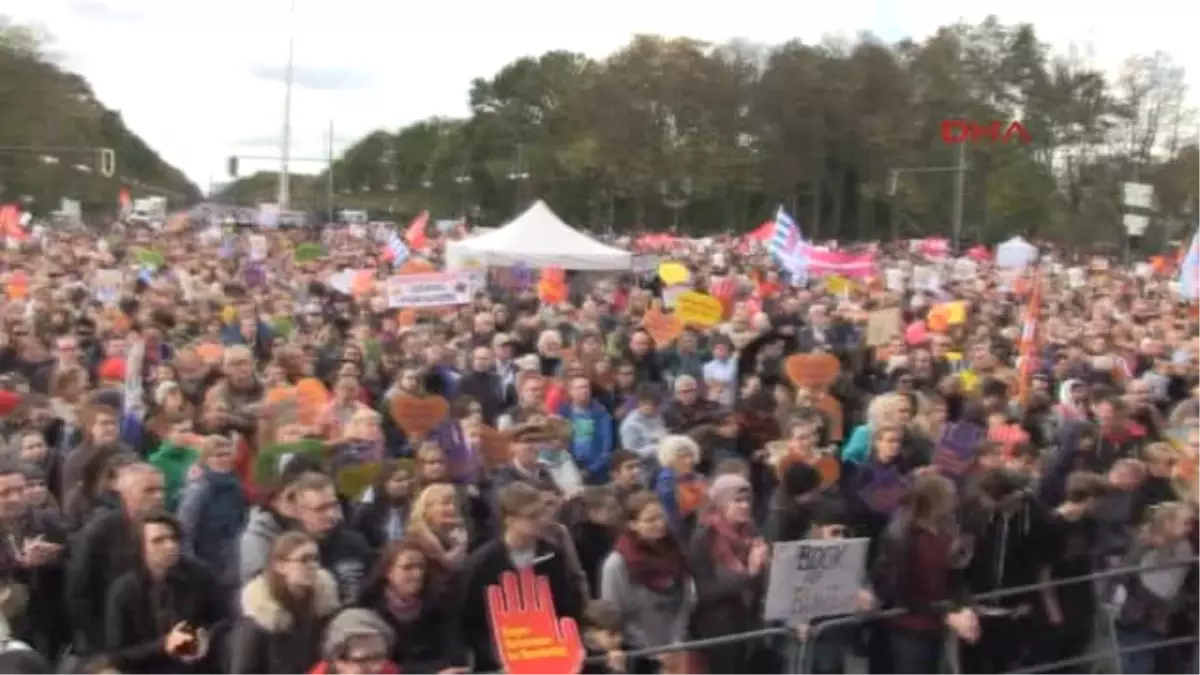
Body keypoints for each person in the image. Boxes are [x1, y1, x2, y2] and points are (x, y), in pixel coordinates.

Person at [461, 482, 585, 672]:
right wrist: (495, 654)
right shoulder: (482, 563)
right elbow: (470, 619)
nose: (543, 520)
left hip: (547, 651)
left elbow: (566, 604)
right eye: (532, 516)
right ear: (510, 521)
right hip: (501, 657)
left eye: (543, 513)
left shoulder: (551, 553)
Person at [103, 511, 228, 674]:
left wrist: (206, 637)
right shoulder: (124, 591)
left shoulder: (199, 574)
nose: (170, 545)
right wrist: (164, 645)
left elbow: (225, 619)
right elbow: (117, 655)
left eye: (173, 538)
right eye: (158, 541)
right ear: (140, 548)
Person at [65, 462, 165, 660]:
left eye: (162, 490)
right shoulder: (100, 532)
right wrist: (100, 644)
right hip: (111, 640)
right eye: (149, 491)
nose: (159, 497)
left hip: (156, 639)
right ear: (125, 494)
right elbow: (78, 593)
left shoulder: (167, 528)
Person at [600, 490, 696, 675]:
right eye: (650, 520)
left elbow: (685, 597)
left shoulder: (674, 551)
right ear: (633, 524)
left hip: (675, 646)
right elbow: (614, 615)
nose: (659, 524)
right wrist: (652, 650)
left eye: (661, 517)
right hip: (638, 654)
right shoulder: (617, 564)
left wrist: (676, 641)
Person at [229, 531, 341, 675]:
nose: (313, 566)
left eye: (315, 559)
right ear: (280, 566)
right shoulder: (257, 620)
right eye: (304, 560)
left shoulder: (325, 610)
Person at [352, 538, 467, 673]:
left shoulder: (441, 602)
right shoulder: (369, 610)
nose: (417, 574)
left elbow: (454, 653)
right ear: (388, 572)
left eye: (421, 567)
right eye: (408, 568)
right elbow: (379, 664)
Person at [308, 608, 402, 675]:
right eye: (363, 660)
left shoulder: (390, 671)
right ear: (338, 662)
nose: (377, 668)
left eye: (379, 656)